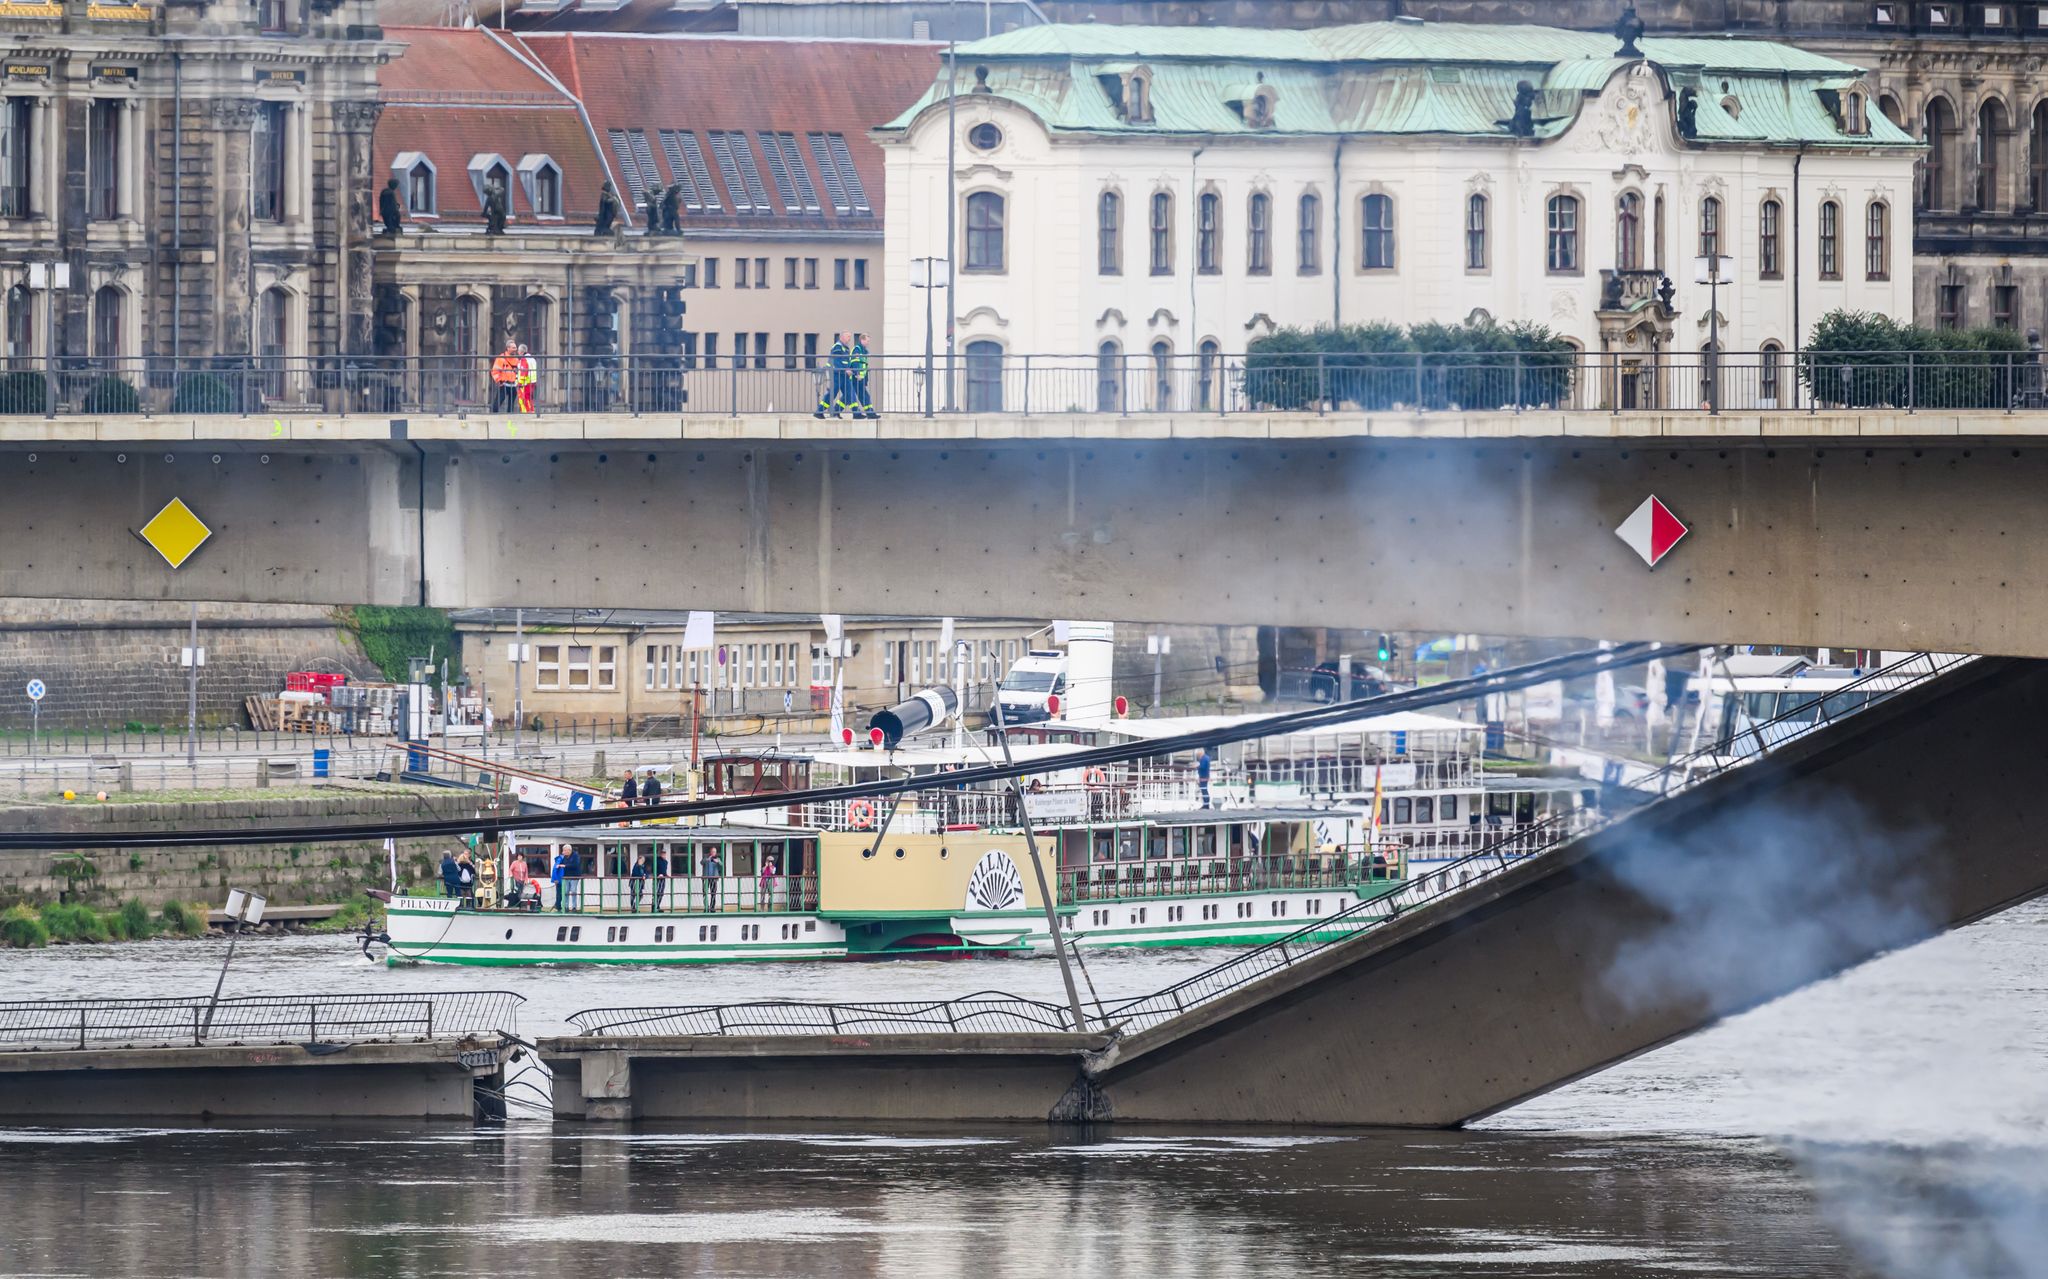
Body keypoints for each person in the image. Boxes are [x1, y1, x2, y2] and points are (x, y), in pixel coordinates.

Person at [814, 332, 853, 418]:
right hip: (836, 374)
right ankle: (819, 411)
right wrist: (845, 370)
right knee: (832, 393)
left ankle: (836, 410)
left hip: (843, 375)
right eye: (848, 336)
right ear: (842, 337)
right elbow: (836, 361)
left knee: (848, 394)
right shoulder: (837, 346)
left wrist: (850, 370)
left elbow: (847, 362)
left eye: (850, 336)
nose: (849, 338)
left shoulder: (846, 348)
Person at [849, 332, 876, 419]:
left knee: (860, 395)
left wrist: (865, 380)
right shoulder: (857, 349)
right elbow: (855, 362)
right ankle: (869, 413)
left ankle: (870, 413)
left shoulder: (863, 350)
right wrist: (857, 374)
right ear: (862, 340)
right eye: (867, 341)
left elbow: (864, 367)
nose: (868, 343)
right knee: (858, 395)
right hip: (856, 377)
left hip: (860, 379)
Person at [490, 342, 521, 413]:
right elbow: (494, 371)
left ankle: (509, 418)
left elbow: (518, 372)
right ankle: (493, 416)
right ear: (508, 348)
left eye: (515, 348)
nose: (515, 349)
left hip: (513, 384)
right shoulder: (501, 358)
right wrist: (499, 381)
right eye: (513, 348)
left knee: (511, 406)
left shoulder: (516, 359)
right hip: (503, 384)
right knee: (497, 403)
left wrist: (517, 381)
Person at [516, 344, 537, 413]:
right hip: (532, 381)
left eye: (518, 351)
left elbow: (523, 371)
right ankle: (532, 410)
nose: (517, 352)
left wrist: (520, 383)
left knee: (525, 398)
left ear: (521, 352)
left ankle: (528, 411)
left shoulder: (523, 359)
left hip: (526, 382)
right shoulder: (532, 359)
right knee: (530, 397)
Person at [564, 845, 584, 911]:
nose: (563, 852)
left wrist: (565, 866)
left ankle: (574, 907)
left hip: (574, 876)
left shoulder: (576, 856)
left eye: (565, 850)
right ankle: (566, 906)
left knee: (573, 891)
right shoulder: (564, 857)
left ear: (569, 850)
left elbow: (575, 865)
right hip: (566, 877)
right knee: (566, 891)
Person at [702, 846, 723, 911]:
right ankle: (706, 907)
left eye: (715, 852)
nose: (714, 853)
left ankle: (712, 907)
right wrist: (707, 859)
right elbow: (701, 862)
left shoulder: (718, 859)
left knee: (713, 893)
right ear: (710, 852)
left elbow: (722, 865)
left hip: (714, 879)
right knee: (705, 892)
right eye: (713, 851)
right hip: (706, 878)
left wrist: (718, 862)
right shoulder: (706, 858)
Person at [651, 848, 669, 912]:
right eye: (662, 853)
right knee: (656, 893)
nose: (663, 854)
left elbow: (664, 871)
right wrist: (657, 875)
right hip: (657, 878)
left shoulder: (666, 862)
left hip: (663, 879)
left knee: (661, 893)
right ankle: (654, 908)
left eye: (664, 853)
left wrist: (666, 875)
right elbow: (653, 869)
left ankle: (658, 906)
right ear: (660, 854)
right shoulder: (656, 860)